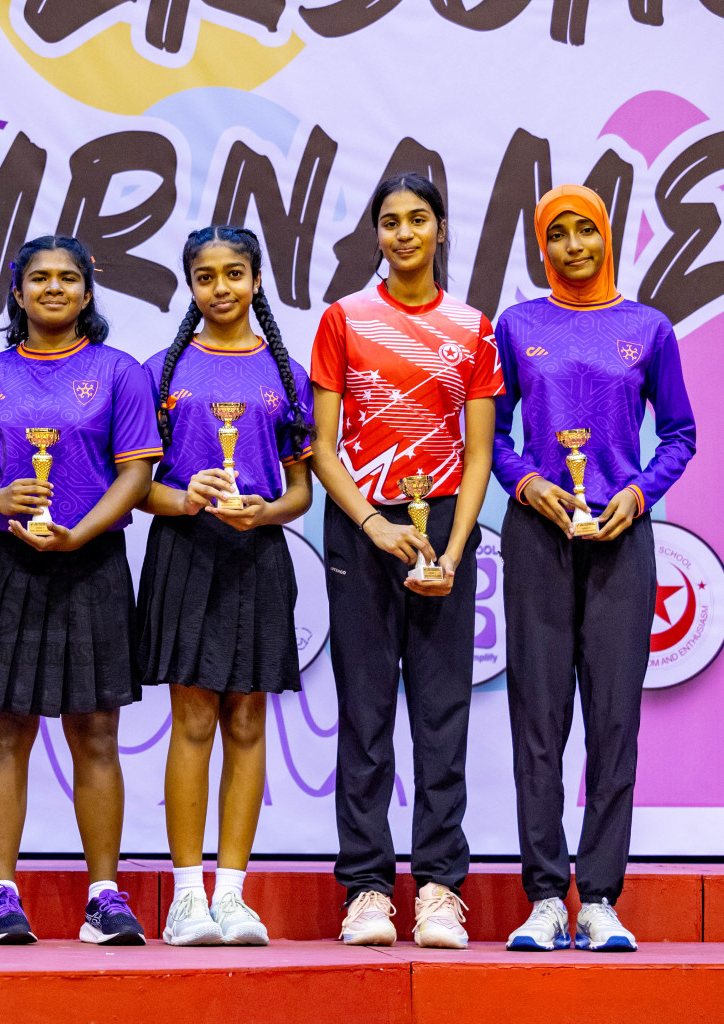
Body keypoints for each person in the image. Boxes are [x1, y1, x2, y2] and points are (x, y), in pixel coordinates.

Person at [494, 185, 694, 953]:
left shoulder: (647, 328)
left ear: (608, 236)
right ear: (542, 246)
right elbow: (494, 432)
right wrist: (524, 480)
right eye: (560, 234)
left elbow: (680, 431)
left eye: (587, 231)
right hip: (537, 537)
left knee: (614, 723)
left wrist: (640, 492)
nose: (574, 246)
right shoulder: (519, 326)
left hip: (621, 539)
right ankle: (546, 896)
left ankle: (601, 897)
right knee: (538, 722)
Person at [307, 173, 503, 949]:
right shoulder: (344, 320)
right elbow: (323, 448)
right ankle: (364, 890)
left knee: (442, 713)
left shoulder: (472, 327)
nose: (403, 234)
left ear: (442, 230)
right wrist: (373, 523)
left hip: (445, 525)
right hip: (362, 524)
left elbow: (481, 452)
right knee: (364, 713)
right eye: (390, 222)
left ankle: (440, 888)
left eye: (418, 220)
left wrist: (452, 549)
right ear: (377, 235)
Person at [0, 235, 160, 946]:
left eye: (69, 278)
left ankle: (103, 897)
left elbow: (135, 475)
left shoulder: (118, 373)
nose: (54, 289)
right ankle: (1, 896)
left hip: (91, 563)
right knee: (4, 728)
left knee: (96, 731)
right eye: (39, 278)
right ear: (16, 292)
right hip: (7, 566)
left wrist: (80, 533)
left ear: (88, 292)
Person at [136, 226, 314, 947]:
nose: (220, 288)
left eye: (233, 274)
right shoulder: (161, 370)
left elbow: (302, 490)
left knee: (247, 721)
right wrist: (184, 495)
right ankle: (186, 898)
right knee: (193, 720)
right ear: (190, 286)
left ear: (257, 280)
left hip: (259, 552)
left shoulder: (286, 371)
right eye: (205, 276)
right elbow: (134, 487)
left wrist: (264, 511)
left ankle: (233, 895)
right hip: (184, 550)